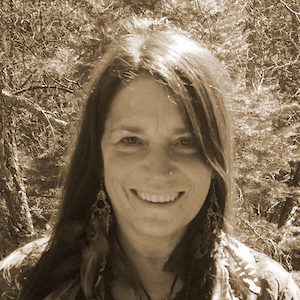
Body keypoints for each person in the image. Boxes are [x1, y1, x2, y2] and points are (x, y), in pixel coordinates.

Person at [1, 17, 300, 300]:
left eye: (186, 142)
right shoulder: (23, 284)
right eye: (131, 141)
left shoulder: (267, 290)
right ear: (98, 157)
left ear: (214, 159)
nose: (158, 171)